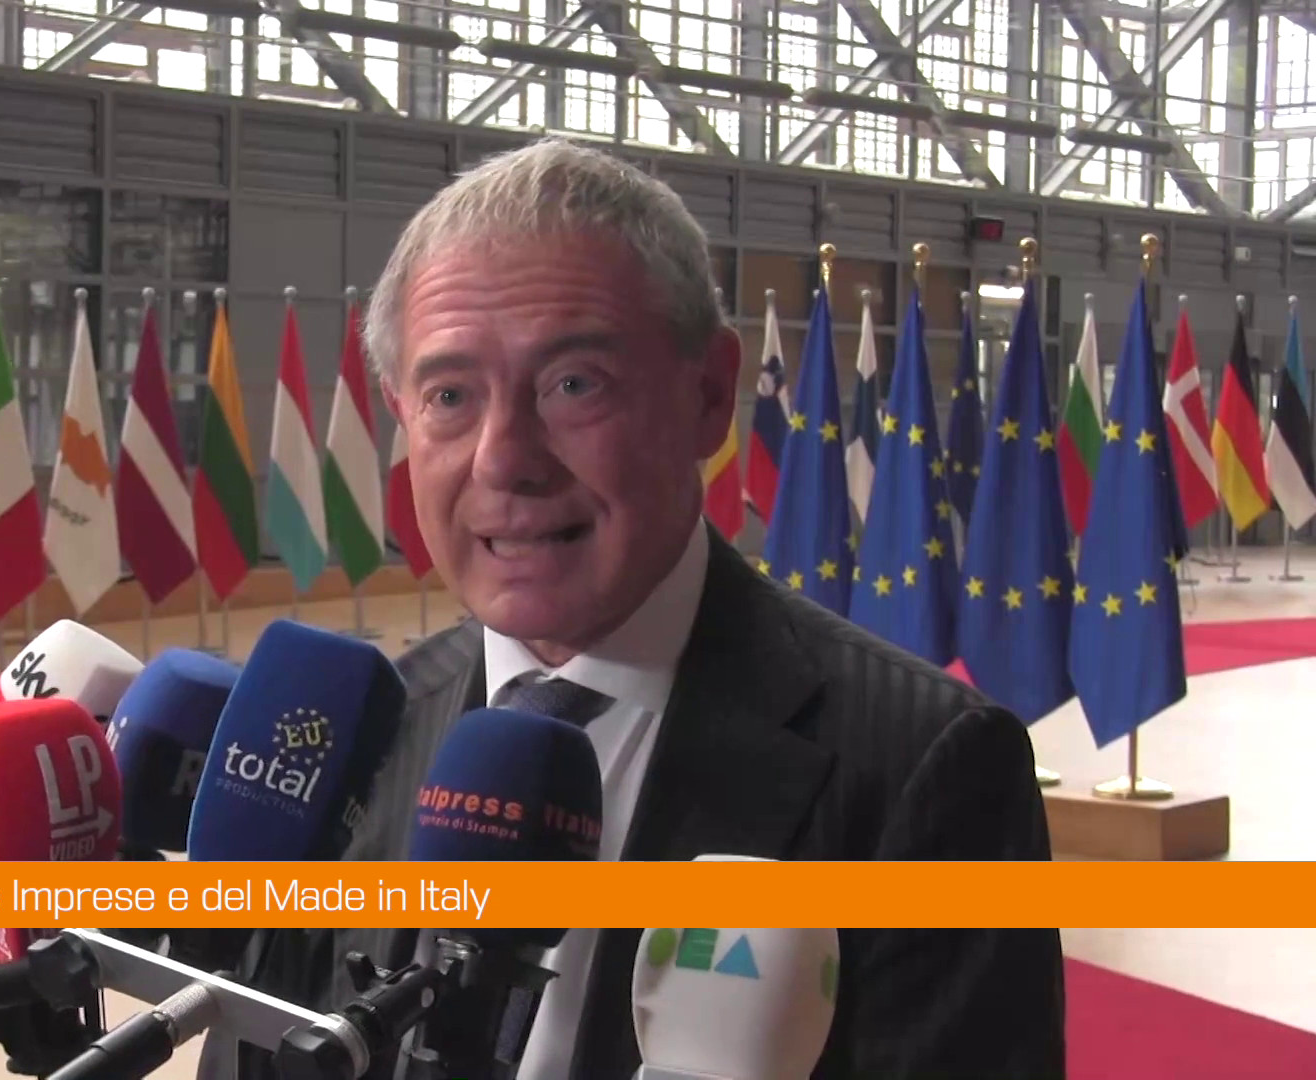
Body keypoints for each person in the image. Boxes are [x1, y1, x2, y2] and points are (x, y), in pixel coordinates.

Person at [199, 137, 1064, 1080]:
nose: (503, 459)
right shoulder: (357, 739)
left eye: (574, 385)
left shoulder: (923, 768)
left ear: (709, 395)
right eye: (450, 395)